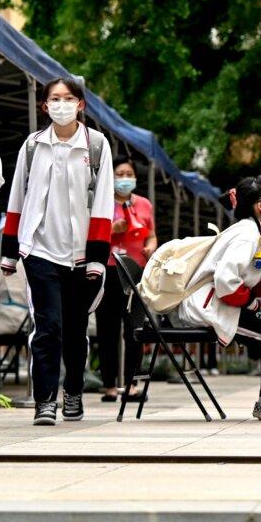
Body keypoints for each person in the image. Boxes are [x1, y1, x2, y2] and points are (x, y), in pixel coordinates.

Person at [0, 77, 114, 426]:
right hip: (41, 250)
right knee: (47, 326)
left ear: (80, 104)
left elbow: (104, 203)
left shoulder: (96, 145)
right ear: (44, 105)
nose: (60, 104)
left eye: (68, 98)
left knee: (75, 330)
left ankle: (73, 391)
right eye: (54, 99)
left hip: (82, 255)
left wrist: (96, 256)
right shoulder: (33, 146)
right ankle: (44, 400)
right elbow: (17, 198)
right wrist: (9, 251)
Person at [172, 176, 261, 420]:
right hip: (210, 309)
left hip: (222, 303)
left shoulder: (253, 232)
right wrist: (256, 305)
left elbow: (256, 281)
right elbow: (226, 283)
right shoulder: (246, 234)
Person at [96, 156, 156, 402]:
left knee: (134, 329)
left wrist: (151, 247)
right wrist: (112, 229)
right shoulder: (101, 203)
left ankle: (131, 385)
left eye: (128, 173)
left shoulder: (143, 204)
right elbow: (91, 234)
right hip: (109, 270)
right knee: (107, 329)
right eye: (119, 174)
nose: (124, 178)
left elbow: (151, 234)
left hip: (135, 272)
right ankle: (110, 386)